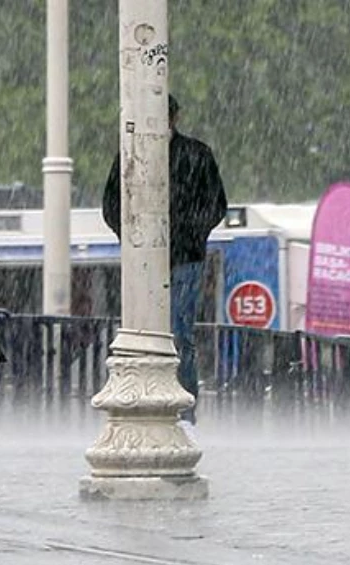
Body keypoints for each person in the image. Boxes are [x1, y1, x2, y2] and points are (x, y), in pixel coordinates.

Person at [102, 94, 228, 426]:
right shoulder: (140, 154)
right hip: (162, 255)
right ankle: (171, 401)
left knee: (177, 330)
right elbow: (112, 204)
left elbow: (215, 204)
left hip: (181, 256)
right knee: (161, 330)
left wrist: (185, 234)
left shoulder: (193, 155)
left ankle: (182, 405)